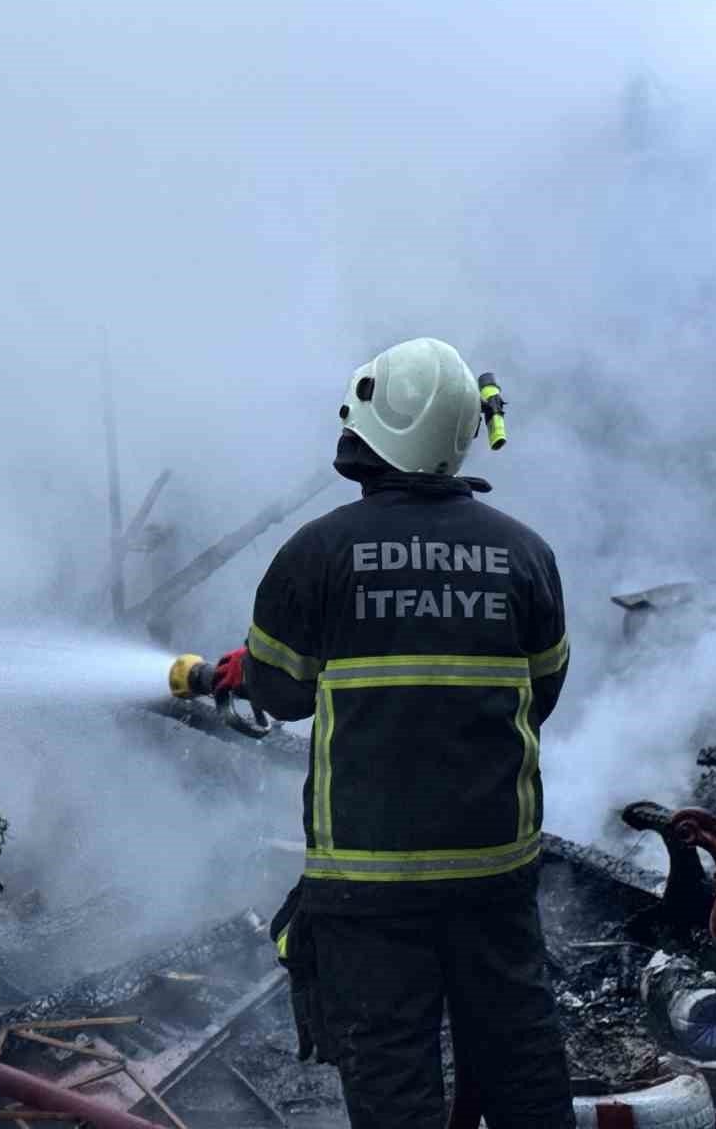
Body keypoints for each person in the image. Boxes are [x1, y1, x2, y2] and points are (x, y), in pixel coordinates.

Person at [212, 338, 574, 1128]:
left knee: (393, 1081)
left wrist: (252, 669)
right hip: (493, 876)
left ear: (369, 426)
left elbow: (281, 692)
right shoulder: (526, 554)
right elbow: (540, 695)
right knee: (521, 1063)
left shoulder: (318, 551)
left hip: (367, 884)